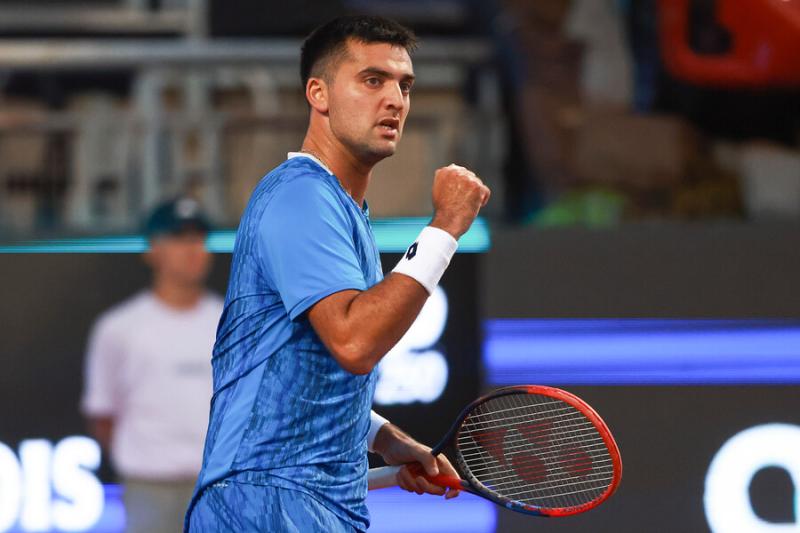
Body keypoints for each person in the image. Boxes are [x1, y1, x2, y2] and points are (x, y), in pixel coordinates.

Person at [186, 15, 491, 532]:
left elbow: (300, 372)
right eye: (373, 80)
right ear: (318, 93)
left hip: (302, 504)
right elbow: (354, 342)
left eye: (404, 85)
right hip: (266, 504)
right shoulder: (301, 195)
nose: (395, 99)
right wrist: (444, 228)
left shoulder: (335, 208)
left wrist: (385, 440)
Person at [81, 197, 223, 533]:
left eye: (198, 240)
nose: (193, 250)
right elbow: (103, 415)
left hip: (218, 487)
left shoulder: (227, 323)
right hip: (149, 488)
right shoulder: (119, 328)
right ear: (152, 249)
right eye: (179, 238)